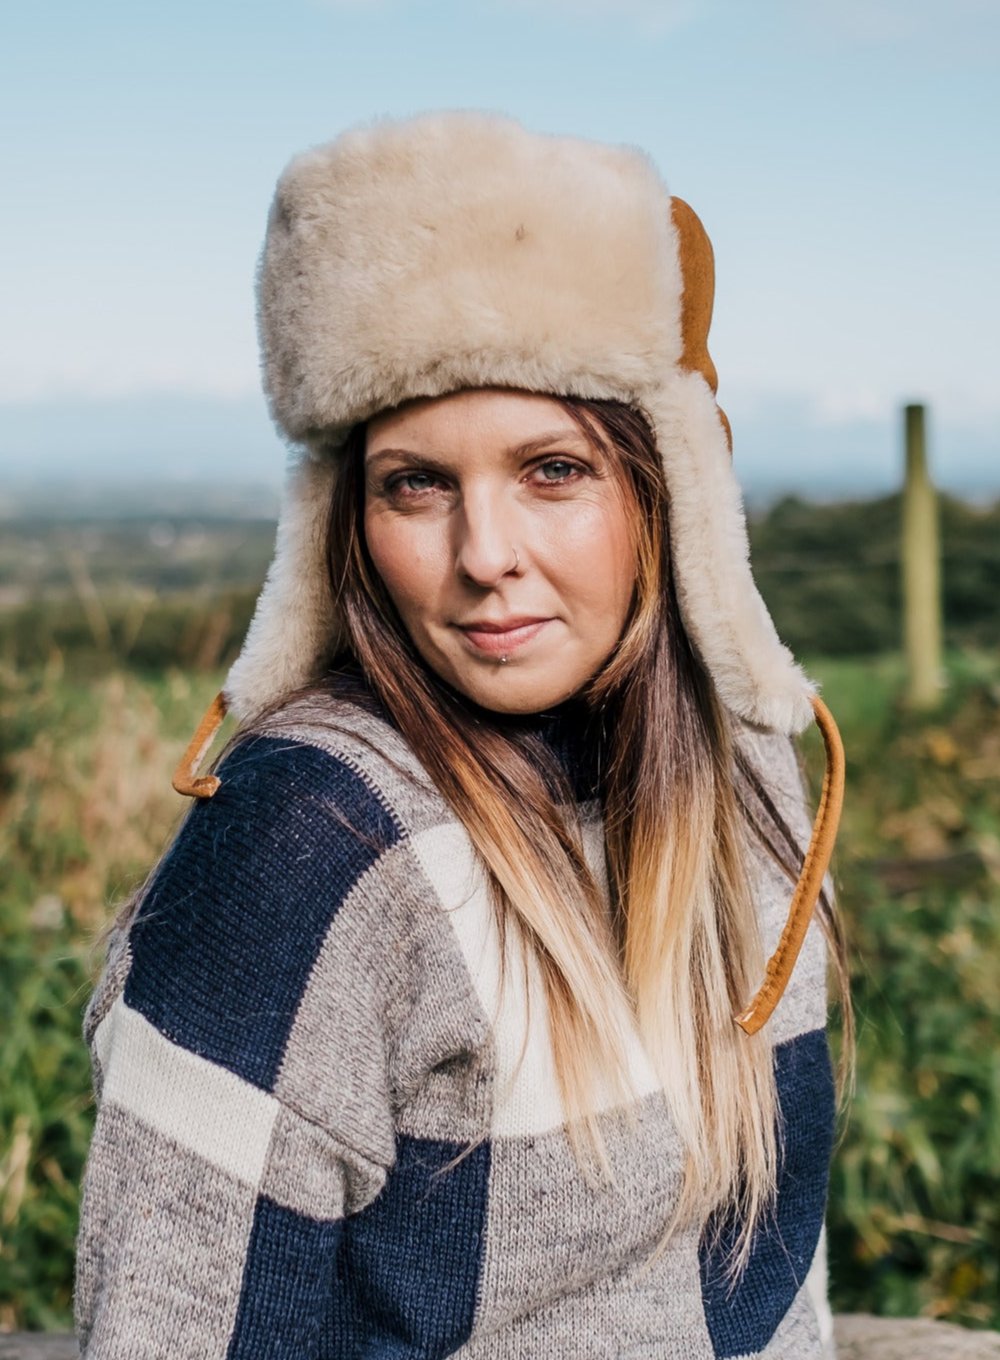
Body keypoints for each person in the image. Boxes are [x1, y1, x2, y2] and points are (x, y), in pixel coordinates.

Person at [73, 110, 851, 1359]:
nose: (484, 557)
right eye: (415, 483)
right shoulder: (312, 844)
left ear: (671, 492)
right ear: (341, 520)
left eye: (552, 469)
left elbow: (770, 1283)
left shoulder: (748, 772)